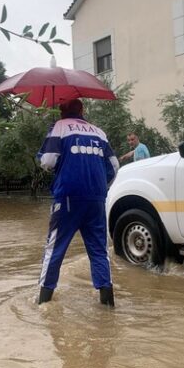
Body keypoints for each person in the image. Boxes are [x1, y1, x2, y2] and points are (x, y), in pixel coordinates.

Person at [37, 98, 120, 306]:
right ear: (82, 110)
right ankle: (107, 303)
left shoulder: (59, 127)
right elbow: (114, 166)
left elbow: (47, 161)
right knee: (99, 250)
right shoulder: (99, 132)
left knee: (54, 249)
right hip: (97, 199)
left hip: (67, 197)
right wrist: (100, 187)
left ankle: (44, 303)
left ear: (61, 111)